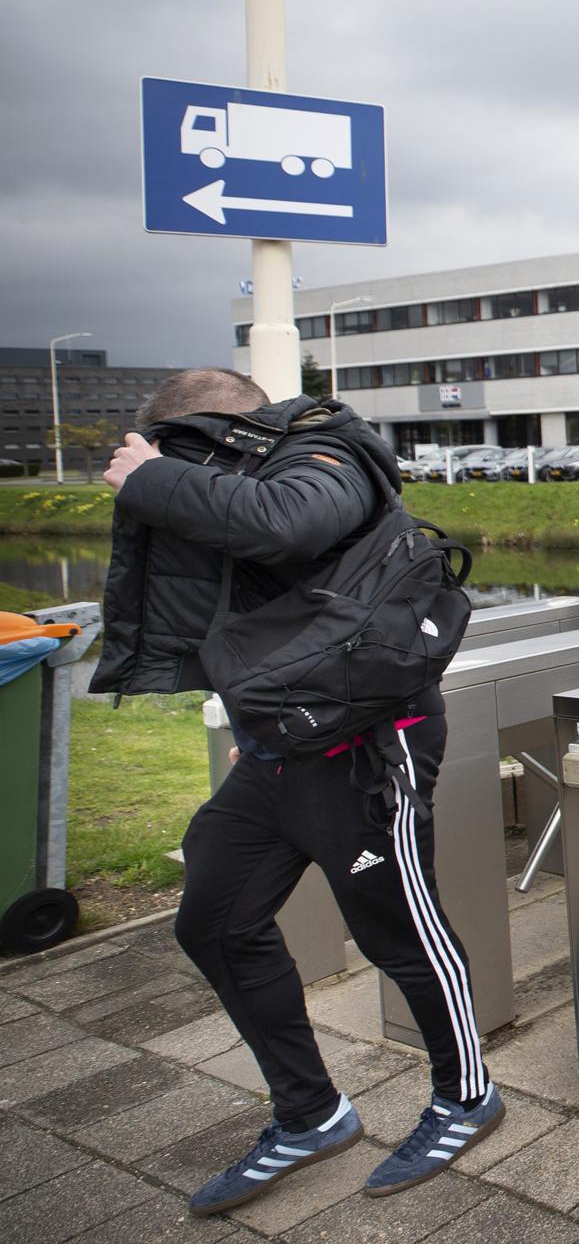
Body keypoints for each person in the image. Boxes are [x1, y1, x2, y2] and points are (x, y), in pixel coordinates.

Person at [92, 368, 501, 1216]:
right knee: (214, 914)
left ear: (212, 434)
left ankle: (467, 1095)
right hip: (281, 744)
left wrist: (153, 477)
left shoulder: (327, 450)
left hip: (365, 746)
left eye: (177, 456)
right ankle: (310, 1112)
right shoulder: (240, 476)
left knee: (399, 927)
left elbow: (289, 525)